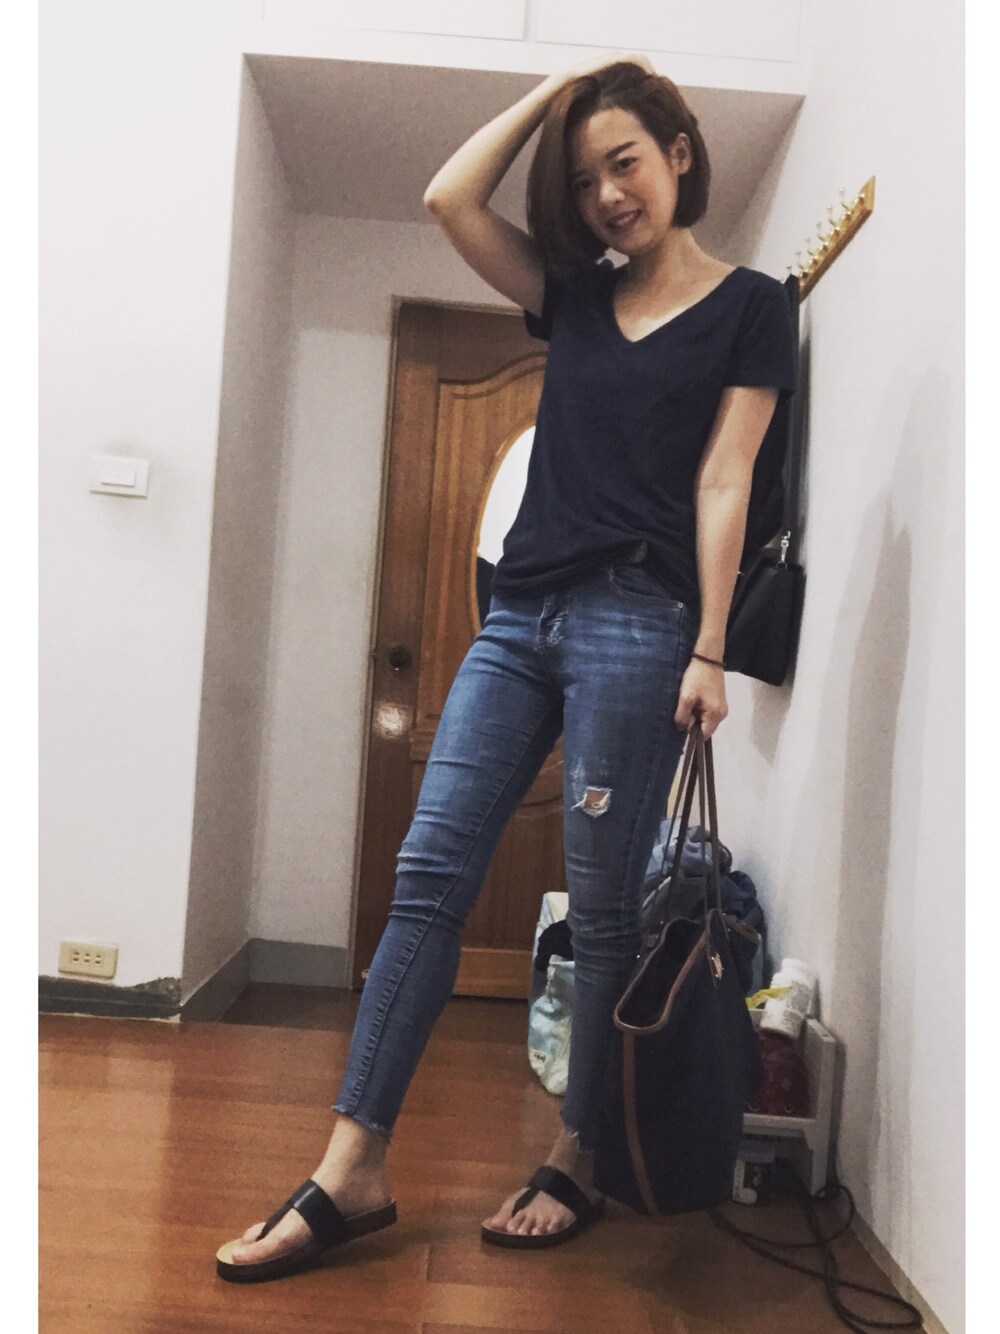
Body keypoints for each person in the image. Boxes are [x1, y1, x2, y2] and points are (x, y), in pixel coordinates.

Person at [215, 50, 796, 1283]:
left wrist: (710, 646)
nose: (605, 195)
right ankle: (352, 1165)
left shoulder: (752, 306)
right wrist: (556, 93)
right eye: (583, 180)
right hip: (518, 615)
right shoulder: (572, 296)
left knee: (603, 907)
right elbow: (448, 196)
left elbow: (725, 477)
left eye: (623, 162)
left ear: (679, 153)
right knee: (427, 873)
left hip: (640, 619)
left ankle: (578, 1151)